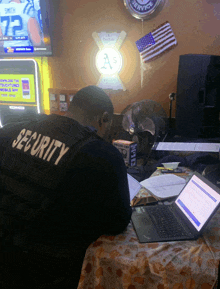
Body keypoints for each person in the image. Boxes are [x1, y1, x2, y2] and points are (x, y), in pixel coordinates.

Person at [0, 85, 132, 289]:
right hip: (52, 271)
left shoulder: (10, 130)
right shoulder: (102, 154)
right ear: (104, 118)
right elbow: (117, 222)